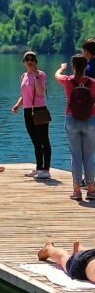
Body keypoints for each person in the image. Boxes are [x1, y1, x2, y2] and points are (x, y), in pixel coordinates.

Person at [54, 54, 95, 200]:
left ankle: (77, 191)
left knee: (76, 156)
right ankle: (91, 190)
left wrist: (61, 68)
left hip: (71, 119)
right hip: (90, 120)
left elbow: (57, 75)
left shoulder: (67, 80)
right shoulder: (92, 82)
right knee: (89, 156)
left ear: (73, 66)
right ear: (86, 67)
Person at [10, 51, 51, 179]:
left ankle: (46, 169)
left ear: (35, 61)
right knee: (35, 142)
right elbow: (24, 96)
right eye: (27, 59)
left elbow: (39, 92)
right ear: (24, 62)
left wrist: (36, 75)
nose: (29, 61)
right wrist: (17, 105)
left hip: (39, 110)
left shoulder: (41, 75)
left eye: (32, 59)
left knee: (44, 141)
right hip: (27, 111)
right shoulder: (23, 76)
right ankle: (39, 168)